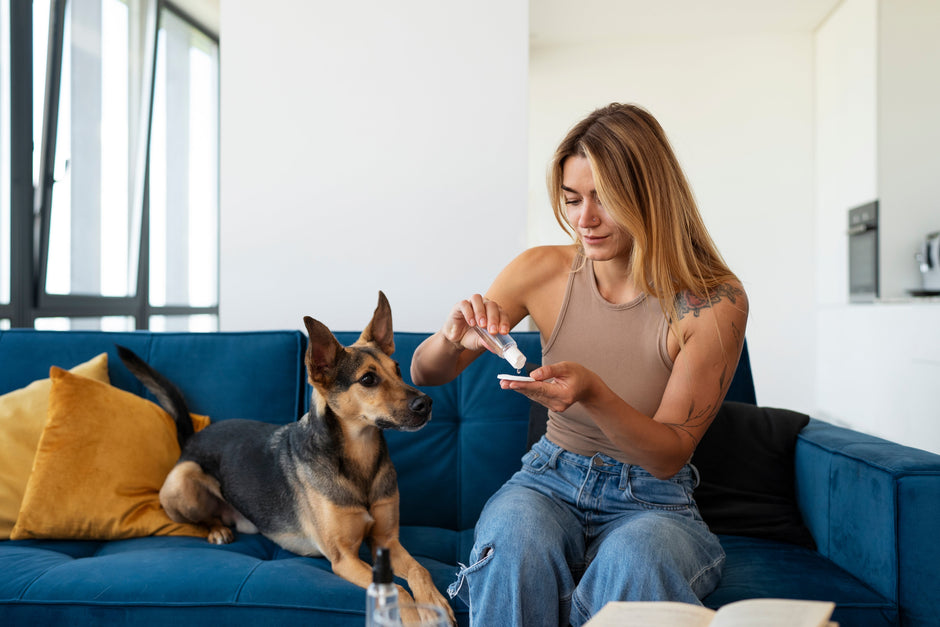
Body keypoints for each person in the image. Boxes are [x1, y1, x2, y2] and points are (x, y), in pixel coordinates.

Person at [410, 103, 748, 627]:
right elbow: (424, 374)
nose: (584, 219)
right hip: (549, 478)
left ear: (650, 195)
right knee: (513, 539)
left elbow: (668, 456)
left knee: (637, 559)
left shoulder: (712, 300)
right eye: (572, 199)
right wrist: (451, 338)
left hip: (654, 499)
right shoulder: (541, 270)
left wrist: (594, 393)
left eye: (604, 200)